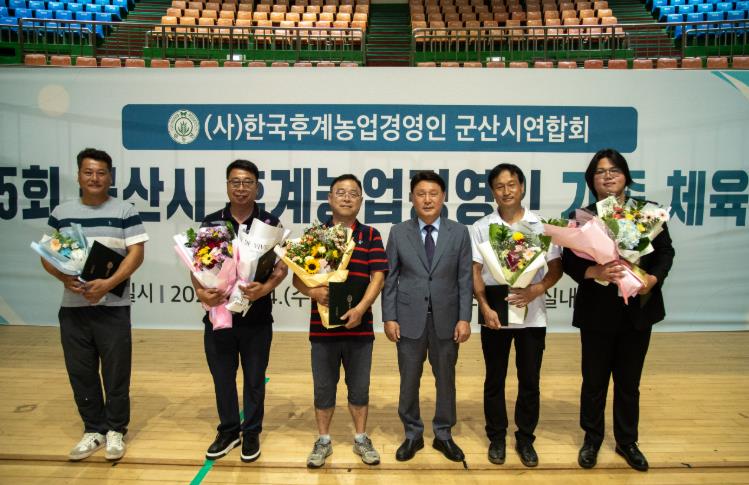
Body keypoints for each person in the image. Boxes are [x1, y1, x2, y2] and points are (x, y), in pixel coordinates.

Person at [562, 149, 675, 472]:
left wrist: (653, 279)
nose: (608, 176)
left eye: (614, 170)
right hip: (597, 311)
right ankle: (592, 438)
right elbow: (569, 262)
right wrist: (594, 271)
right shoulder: (582, 217)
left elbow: (665, 253)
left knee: (629, 381)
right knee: (594, 380)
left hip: (637, 309)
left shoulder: (647, 213)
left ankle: (627, 441)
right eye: (600, 171)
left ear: (626, 176)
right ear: (591, 180)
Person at [41, 148, 148, 462]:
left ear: (110, 177)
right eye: (88, 172)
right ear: (78, 175)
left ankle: (115, 429)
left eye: (101, 173)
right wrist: (64, 278)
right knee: (80, 371)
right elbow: (47, 255)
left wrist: (109, 283)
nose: (95, 178)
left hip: (113, 307)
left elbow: (136, 254)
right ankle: (93, 429)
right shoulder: (62, 213)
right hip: (73, 308)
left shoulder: (125, 210)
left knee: (116, 371)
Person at [192, 159, 288, 463]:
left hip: (256, 317)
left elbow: (282, 267)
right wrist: (200, 290)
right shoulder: (212, 223)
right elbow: (197, 266)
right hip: (219, 316)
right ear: (227, 186)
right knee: (222, 377)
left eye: (248, 182)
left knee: (255, 378)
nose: (242, 188)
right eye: (236, 182)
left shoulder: (270, 223)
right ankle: (229, 430)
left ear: (257, 187)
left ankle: (252, 431)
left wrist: (265, 288)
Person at [292, 174, 388, 468]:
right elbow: (297, 278)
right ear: (330, 198)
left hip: (360, 328)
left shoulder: (370, 235)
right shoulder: (315, 235)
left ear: (361, 200)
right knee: (323, 388)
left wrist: (361, 308)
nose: (347, 198)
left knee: (359, 387)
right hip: (322, 329)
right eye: (341, 192)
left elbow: (379, 276)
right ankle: (323, 440)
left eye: (353, 193)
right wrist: (313, 291)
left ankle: (360, 437)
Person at [471, 163, 562, 467]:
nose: (506, 191)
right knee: (494, 379)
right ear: (492, 191)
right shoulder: (482, 226)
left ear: (522, 187)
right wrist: (484, 306)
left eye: (512, 184)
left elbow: (556, 268)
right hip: (495, 314)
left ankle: (525, 439)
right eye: (499, 186)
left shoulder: (541, 225)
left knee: (530, 381)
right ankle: (496, 437)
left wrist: (537, 289)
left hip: (532, 315)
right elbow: (475, 271)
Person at [381, 171, 473, 463]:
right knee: (409, 379)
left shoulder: (459, 232)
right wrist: (389, 317)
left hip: (447, 319)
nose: (427, 199)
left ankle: (443, 434)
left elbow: (465, 279)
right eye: (421, 194)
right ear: (412, 198)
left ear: (443, 197)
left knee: (446, 380)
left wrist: (464, 318)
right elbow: (390, 278)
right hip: (408, 319)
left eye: (433, 193)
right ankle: (412, 433)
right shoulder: (399, 232)